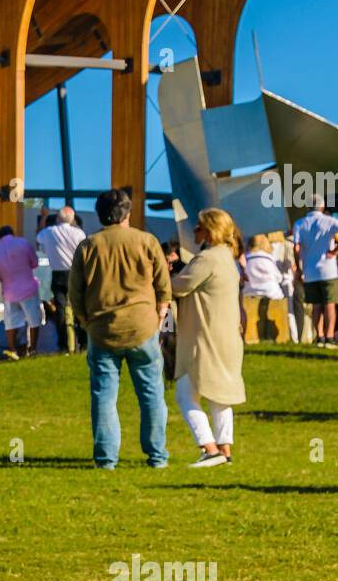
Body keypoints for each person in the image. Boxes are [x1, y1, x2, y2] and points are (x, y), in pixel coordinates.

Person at [68, 188, 171, 470]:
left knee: (104, 397)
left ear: (100, 214)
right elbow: (164, 285)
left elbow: (75, 293)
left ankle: (106, 459)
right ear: (127, 212)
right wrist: (160, 316)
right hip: (143, 327)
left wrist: (86, 321)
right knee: (152, 396)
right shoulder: (146, 241)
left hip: (102, 330)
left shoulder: (89, 245)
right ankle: (157, 456)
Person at [171, 209, 246, 468]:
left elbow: (179, 286)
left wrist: (161, 275)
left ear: (210, 230)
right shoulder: (228, 258)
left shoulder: (207, 258)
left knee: (185, 394)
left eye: (199, 227)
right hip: (226, 339)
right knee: (220, 395)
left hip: (205, 339)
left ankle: (209, 447)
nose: (195, 231)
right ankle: (224, 449)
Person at [292, 195, 338, 346]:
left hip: (310, 270)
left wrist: (299, 267)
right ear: (322, 207)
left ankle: (320, 336)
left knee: (316, 305)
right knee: (329, 304)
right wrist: (337, 250)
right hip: (328, 268)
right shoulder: (329, 221)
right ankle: (329, 337)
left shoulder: (299, 223)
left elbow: (296, 247)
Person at [37, 206, 86, 353]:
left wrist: (44, 217)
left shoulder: (49, 232)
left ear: (58, 218)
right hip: (76, 273)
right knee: (79, 308)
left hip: (58, 274)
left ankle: (65, 344)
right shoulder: (79, 233)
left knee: (61, 310)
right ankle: (83, 342)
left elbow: (38, 236)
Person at [0, 224, 42, 357]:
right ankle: (33, 348)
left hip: (9, 292)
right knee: (34, 320)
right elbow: (34, 262)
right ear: (13, 233)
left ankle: (12, 349)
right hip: (28, 289)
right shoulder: (22, 243)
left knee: (11, 322)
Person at [242, 233, 288, 342]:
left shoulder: (246, 257)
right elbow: (278, 277)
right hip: (270, 291)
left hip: (250, 291)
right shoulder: (269, 258)